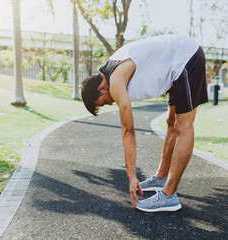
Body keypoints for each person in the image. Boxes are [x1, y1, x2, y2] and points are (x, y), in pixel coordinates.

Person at [81, 34, 208, 212]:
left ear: (101, 88)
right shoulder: (112, 70)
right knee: (171, 122)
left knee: (183, 126)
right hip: (174, 68)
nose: (110, 103)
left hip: (186, 58)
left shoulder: (115, 81)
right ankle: (161, 177)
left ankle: (169, 195)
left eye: (104, 102)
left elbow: (128, 131)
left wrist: (132, 177)